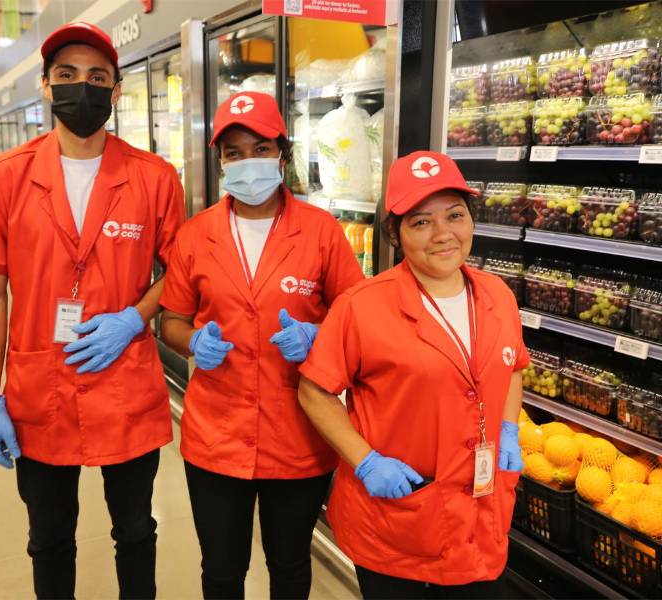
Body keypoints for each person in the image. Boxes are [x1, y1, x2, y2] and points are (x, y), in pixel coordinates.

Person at [0, 22, 184, 600]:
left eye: (98, 77)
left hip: (125, 381)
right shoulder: (4, 177)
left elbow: (179, 271)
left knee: (136, 530)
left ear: (117, 89)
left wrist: (136, 318)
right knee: (48, 538)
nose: (84, 87)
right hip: (39, 388)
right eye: (68, 75)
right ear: (45, 84)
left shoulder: (154, 177)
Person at [159, 91, 364, 599]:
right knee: (222, 569)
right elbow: (172, 321)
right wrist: (192, 342)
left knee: (290, 565)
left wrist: (318, 337)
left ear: (284, 155)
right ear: (221, 162)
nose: (246, 161)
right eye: (233, 152)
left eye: (259, 147)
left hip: (297, 434)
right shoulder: (196, 234)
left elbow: (358, 316)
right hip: (216, 436)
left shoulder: (320, 232)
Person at [298, 151, 527, 599]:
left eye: (455, 216)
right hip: (397, 523)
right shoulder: (362, 306)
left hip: (482, 520)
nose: (443, 234)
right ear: (396, 234)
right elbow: (314, 392)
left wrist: (508, 428)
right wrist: (365, 461)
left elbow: (513, 366)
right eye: (421, 222)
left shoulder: (498, 296)